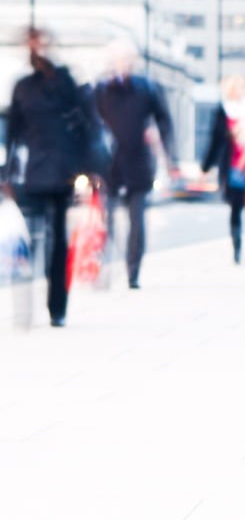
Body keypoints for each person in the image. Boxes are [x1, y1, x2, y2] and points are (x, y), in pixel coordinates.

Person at [2, 28, 103, 327]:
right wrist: (5, 171)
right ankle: (43, 307)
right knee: (40, 240)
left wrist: (89, 168)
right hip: (38, 172)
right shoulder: (25, 86)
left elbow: (87, 125)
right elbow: (13, 133)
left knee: (55, 241)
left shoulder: (64, 81)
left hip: (59, 172)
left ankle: (54, 307)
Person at [94, 39, 177, 290]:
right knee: (103, 220)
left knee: (137, 221)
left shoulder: (146, 88)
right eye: (119, 60)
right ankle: (102, 264)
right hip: (107, 164)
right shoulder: (100, 89)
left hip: (138, 162)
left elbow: (164, 120)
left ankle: (133, 271)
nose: (124, 65)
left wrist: (165, 150)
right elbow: (86, 122)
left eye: (128, 60)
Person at [202, 74, 245, 264]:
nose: (237, 92)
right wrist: (206, 166)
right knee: (235, 208)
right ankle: (237, 248)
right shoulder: (223, 111)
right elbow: (216, 140)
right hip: (233, 165)